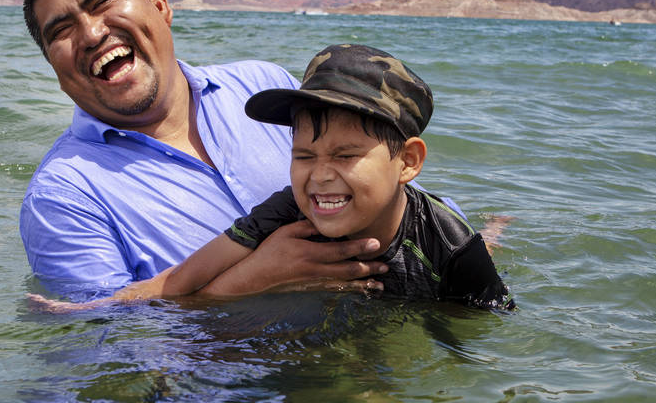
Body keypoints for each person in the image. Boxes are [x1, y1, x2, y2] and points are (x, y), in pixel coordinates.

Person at [20, 0, 390, 301]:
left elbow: (390, 189)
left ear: (160, 6)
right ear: (52, 63)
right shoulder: (60, 197)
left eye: (102, 3)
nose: (91, 34)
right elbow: (106, 344)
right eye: (61, 31)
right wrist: (251, 283)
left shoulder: (263, 86)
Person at [31, 44, 514, 312]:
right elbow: (183, 278)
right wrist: (92, 309)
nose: (321, 177)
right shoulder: (286, 210)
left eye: (345, 155)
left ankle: (493, 230)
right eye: (303, 154)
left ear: (407, 162)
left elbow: (488, 330)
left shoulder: (449, 244)